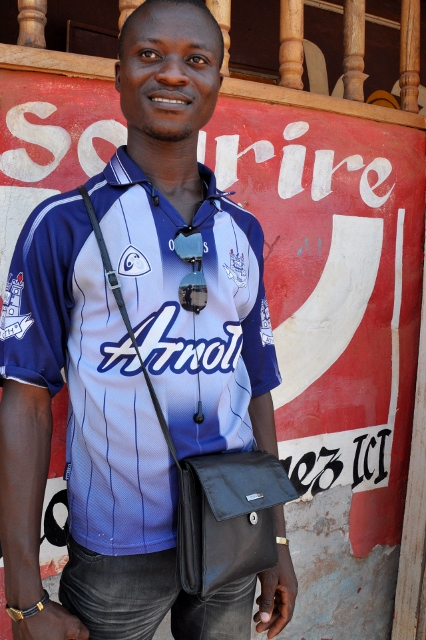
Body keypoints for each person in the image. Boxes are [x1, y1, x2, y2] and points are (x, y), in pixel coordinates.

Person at [0, 0, 298, 638]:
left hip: (233, 529)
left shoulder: (242, 230)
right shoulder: (65, 224)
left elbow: (257, 387)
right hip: (116, 554)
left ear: (217, 81)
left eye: (196, 60)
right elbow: (25, 400)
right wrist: (24, 595)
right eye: (149, 55)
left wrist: (277, 541)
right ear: (119, 74)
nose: (172, 73)